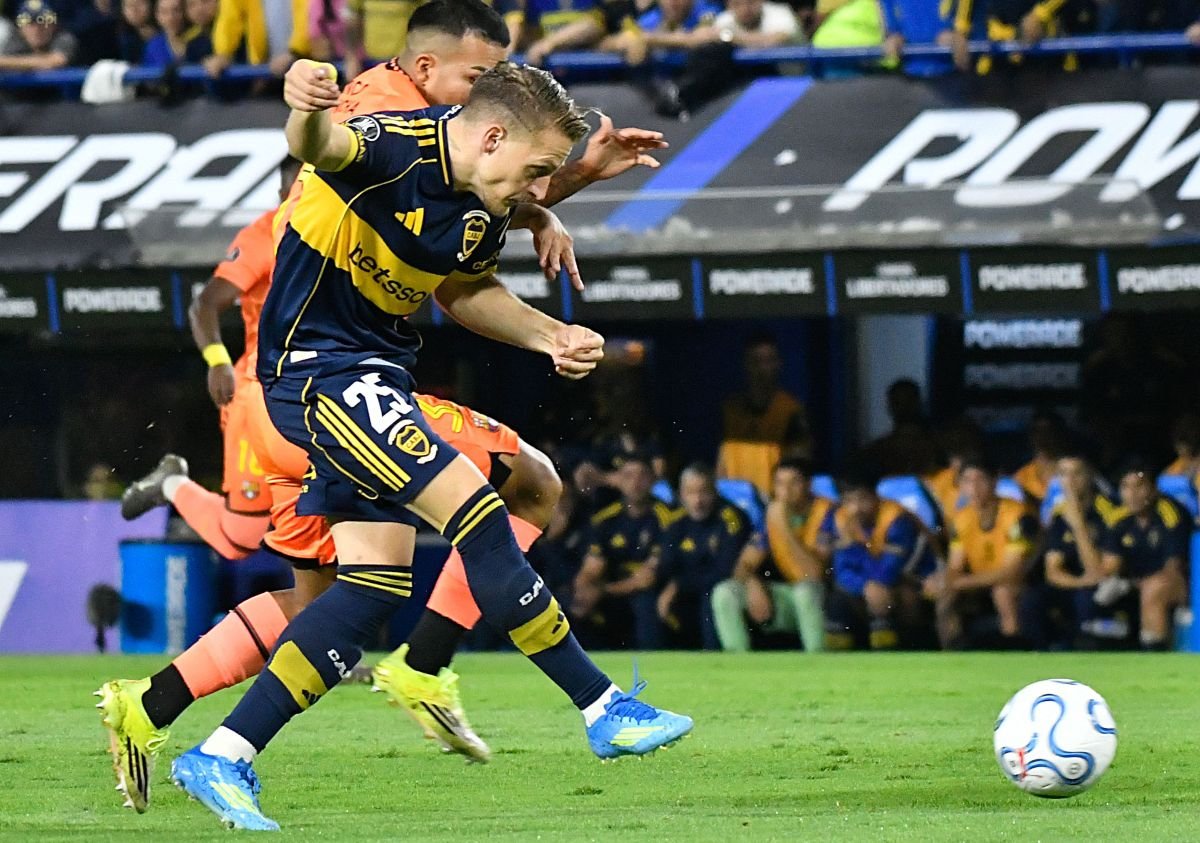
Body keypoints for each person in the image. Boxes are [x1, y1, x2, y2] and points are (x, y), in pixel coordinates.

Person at [99, 0, 674, 818]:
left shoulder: (476, 190)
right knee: (483, 504)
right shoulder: (386, 126)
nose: (533, 185)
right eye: (480, 78)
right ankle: (599, 704)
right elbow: (322, 149)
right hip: (319, 377)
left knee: (364, 591)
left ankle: (219, 751)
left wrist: (550, 328)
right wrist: (302, 108)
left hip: (374, 378)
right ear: (463, 102)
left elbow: (465, 284)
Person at [120, 156, 305, 561]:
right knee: (241, 539)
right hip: (261, 393)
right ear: (281, 195)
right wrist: (218, 360)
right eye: (297, 189)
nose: (306, 198)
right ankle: (171, 484)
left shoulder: (349, 229)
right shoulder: (265, 235)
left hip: (325, 386)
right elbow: (205, 304)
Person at [712, 459, 832, 652]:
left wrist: (783, 526)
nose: (786, 489)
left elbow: (815, 575)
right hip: (786, 600)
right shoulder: (771, 515)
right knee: (725, 592)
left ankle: (817, 662)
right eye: (780, 483)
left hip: (824, 600)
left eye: (794, 482)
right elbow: (743, 565)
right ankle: (737, 665)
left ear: (809, 485)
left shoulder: (827, 513)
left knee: (805, 592)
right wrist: (753, 584)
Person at [820, 468, 937, 650]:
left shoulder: (897, 520)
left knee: (900, 596)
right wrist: (865, 585)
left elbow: (889, 572)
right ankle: (839, 666)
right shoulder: (840, 519)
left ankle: (907, 652)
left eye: (863, 499)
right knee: (838, 600)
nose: (856, 508)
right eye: (849, 501)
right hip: (872, 586)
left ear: (876, 496)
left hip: (915, 583)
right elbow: (842, 572)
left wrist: (856, 551)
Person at [572, 453, 677, 649]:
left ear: (653, 480)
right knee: (574, 602)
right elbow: (592, 567)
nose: (635, 482)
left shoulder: (668, 518)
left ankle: (653, 665)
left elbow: (646, 579)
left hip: (651, 589)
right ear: (618, 480)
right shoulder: (605, 519)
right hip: (614, 586)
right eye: (628, 476)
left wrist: (603, 590)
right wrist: (584, 588)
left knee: (644, 604)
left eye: (642, 476)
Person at [936, 456, 1038, 649]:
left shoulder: (1017, 515)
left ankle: (1013, 648)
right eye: (967, 481)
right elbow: (956, 566)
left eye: (980, 480)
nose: (974, 488)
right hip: (979, 581)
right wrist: (945, 581)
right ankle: (950, 652)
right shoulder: (961, 519)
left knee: (1003, 591)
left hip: (1022, 581)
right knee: (946, 594)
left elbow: (1011, 572)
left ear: (994, 482)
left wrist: (959, 581)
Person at [652, 464, 751, 650]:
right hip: (686, 592)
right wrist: (674, 585)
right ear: (681, 494)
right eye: (690, 493)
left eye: (703, 492)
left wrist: (678, 584)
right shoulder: (676, 522)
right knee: (650, 598)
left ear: (714, 492)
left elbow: (724, 570)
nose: (697, 500)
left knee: (711, 596)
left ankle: (713, 657)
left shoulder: (731, 518)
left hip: (719, 591)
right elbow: (666, 566)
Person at [1030, 449, 1122, 649]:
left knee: (1086, 598)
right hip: (1077, 583)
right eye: (1063, 474)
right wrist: (1079, 582)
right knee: (1033, 600)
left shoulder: (1110, 512)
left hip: (1109, 586)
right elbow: (1052, 571)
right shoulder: (1059, 513)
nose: (1069, 481)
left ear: (1090, 475)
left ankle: (1086, 652)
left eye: (1076, 473)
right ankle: (1038, 654)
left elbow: (1098, 572)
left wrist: (1079, 525)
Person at [1101, 460, 1191, 651]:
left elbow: (1174, 568)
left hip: (1180, 584)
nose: (1132, 494)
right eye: (1126, 487)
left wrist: (1138, 584)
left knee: (1153, 588)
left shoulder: (1169, 513)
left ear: (1153, 489)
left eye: (1139, 486)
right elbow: (1110, 567)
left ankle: (1155, 651)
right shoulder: (1118, 519)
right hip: (1134, 585)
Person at [717, 333, 810, 498]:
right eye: (756, 362)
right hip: (734, 498)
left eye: (768, 361)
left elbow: (801, 462)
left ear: (779, 364)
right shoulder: (731, 409)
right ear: (746, 365)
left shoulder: (790, 409)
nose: (762, 369)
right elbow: (721, 459)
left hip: (775, 499)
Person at [0, 0, 77, 71]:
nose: (37, 29)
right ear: (20, 28)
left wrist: (8, 62)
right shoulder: (15, 39)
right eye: (30, 23)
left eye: (43, 21)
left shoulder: (63, 37)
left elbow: (56, 61)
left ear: (54, 25)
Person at [1012, 410, 1067, 509]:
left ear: (1059, 434)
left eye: (1049, 430)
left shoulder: (1073, 472)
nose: (1043, 437)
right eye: (1038, 431)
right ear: (1031, 436)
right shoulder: (1021, 476)